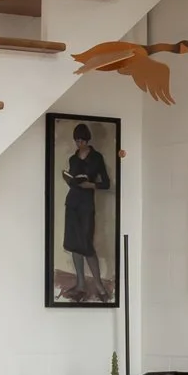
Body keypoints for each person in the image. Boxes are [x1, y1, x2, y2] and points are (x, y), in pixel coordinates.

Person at [59, 122, 112, 302]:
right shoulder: (73, 159)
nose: (79, 144)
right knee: (74, 244)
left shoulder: (96, 157)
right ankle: (80, 283)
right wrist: (70, 180)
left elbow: (106, 183)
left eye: (81, 140)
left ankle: (99, 285)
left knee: (86, 245)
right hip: (72, 202)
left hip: (86, 205)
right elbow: (73, 179)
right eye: (76, 141)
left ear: (87, 139)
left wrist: (90, 184)